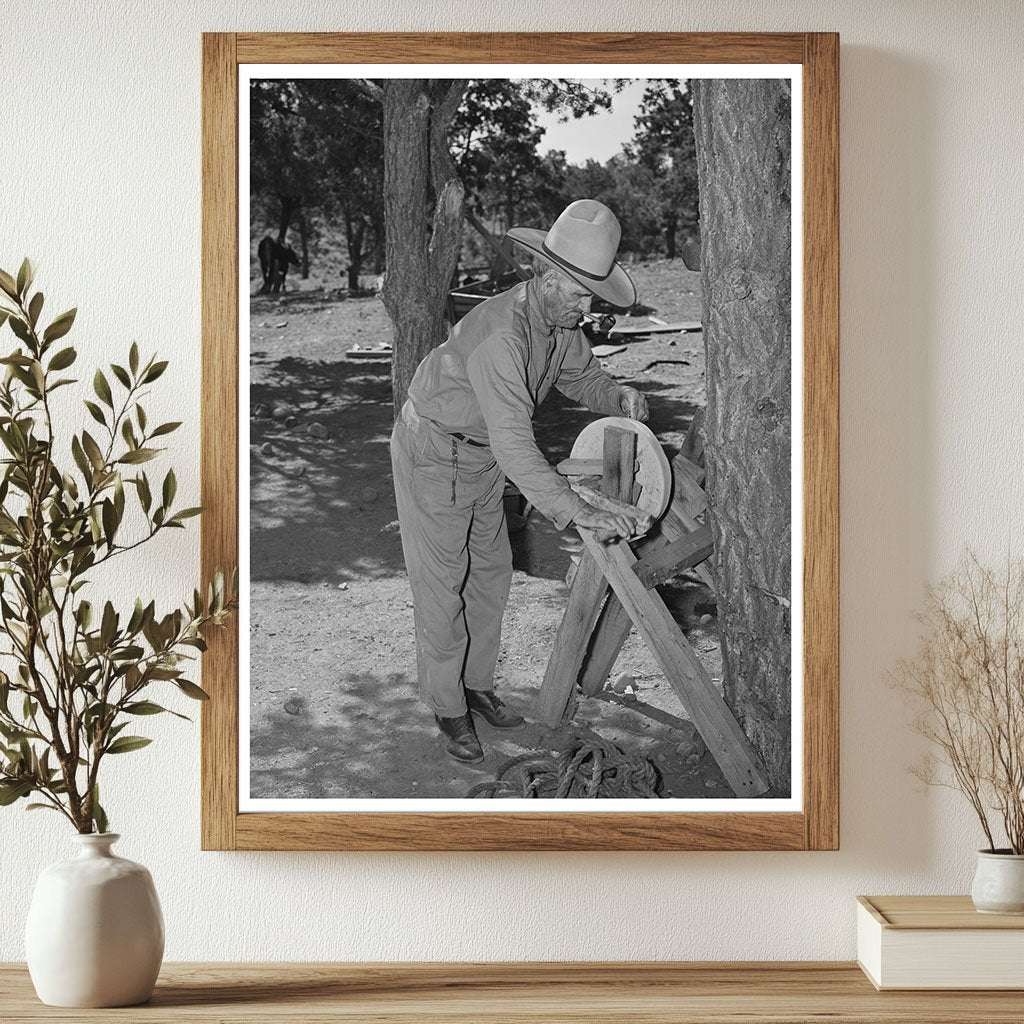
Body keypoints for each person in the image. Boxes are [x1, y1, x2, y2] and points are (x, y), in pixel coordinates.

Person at [390, 199, 650, 764]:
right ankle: (448, 707)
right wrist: (576, 509)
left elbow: (581, 376)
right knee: (443, 586)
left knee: (491, 574)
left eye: (592, 298)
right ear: (549, 277)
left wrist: (617, 396)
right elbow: (515, 445)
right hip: (435, 451)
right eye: (582, 295)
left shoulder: (559, 320)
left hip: (481, 456)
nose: (587, 310)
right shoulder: (501, 338)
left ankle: (477, 687)